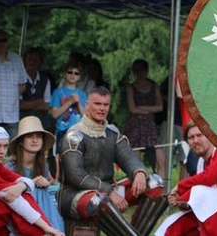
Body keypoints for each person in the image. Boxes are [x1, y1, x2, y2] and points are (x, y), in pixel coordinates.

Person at [58, 86, 167, 236]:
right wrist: (108, 191)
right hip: (76, 194)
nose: (102, 108)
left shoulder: (112, 133)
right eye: (97, 104)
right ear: (87, 105)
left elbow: (128, 156)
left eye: (106, 104)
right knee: (98, 202)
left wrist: (139, 172)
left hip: (107, 192)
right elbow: (75, 176)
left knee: (155, 184)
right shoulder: (74, 135)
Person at [0, 125, 64, 236]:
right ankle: (42, 232)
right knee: (20, 195)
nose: (2, 151)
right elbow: (10, 197)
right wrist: (45, 227)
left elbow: (24, 181)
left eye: (5, 146)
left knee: (23, 190)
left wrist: (22, 185)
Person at [159, 121, 217, 236]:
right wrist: (182, 202)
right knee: (173, 224)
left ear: (209, 136)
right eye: (191, 137)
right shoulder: (201, 163)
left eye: (199, 135)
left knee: (200, 191)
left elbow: (209, 179)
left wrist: (181, 188)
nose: (195, 141)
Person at [6, 116, 66, 233]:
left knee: (42, 189)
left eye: (39, 136)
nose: (35, 140)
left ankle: (51, 230)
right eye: (30, 136)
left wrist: (45, 183)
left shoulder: (43, 165)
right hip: (17, 212)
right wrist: (32, 182)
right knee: (37, 189)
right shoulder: (10, 167)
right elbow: (9, 195)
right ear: (21, 142)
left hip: (40, 210)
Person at [125, 58, 166, 178]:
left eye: (141, 69)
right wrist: (149, 110)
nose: (139, 72)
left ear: (146, 70)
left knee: (161, 161)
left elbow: (160, 107)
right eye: (136, 70)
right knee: (135, 162)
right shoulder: (130, 87)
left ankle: (161, 188)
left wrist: (141, 108)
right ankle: (135, 187)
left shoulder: (154, 86)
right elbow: (132, 108)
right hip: (135, 125)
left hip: (149, 125)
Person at [0, 28, 27, 137]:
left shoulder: (17, 60)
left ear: (8, 42)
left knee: (12, 150)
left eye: (4, 40)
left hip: (11, 115)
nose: (0, 43)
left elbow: (23, 85)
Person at [49, 63, 87, 149]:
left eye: (76, 73)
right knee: (60, 157)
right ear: (65, 74)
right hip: (62, 131)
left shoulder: (82, 94)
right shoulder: (58, 92)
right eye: (70, 72)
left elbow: (86, 117)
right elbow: (54, 115)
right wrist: (70, 102)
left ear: (79, 77)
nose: (73, 75)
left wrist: (78, 103)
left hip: (78, 132)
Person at [19, 46, 56, 133]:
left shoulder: (45, 79)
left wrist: (28, 104)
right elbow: (19, 104)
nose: (32, 62)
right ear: (25, 61)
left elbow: (47, 106)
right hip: (23, 121)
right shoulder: (20, 77)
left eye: (36, 60)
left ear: (40, 62)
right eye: (30, 59)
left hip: (41, 122)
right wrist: (38, 102)